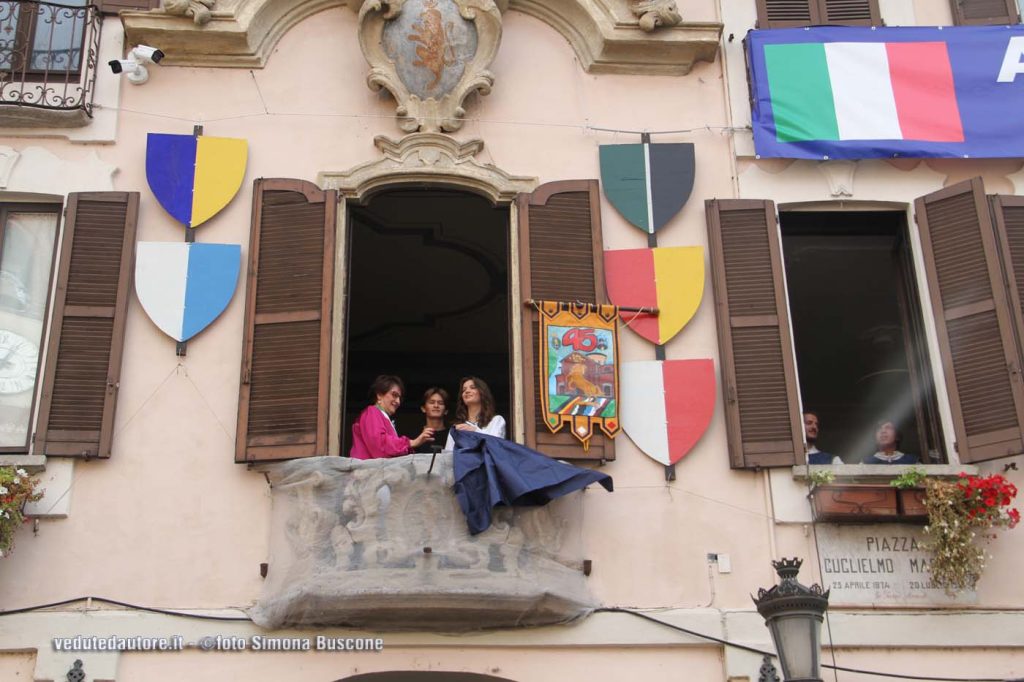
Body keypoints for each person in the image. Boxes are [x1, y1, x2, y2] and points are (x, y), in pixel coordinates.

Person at [350, 375, 434, 459]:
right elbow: (380, 445)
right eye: (394, 395)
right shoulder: (372, 412)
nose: (398, 401)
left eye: (399, 398)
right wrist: (410, 443)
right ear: (379, 395)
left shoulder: (381, 416)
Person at [445, 376, 506, 451]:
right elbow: (448, 456)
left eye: (472, 387)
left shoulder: (496, 420)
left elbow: (497, 447)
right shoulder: (457, 428)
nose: (467, 391)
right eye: (464, 390)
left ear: (482, 392)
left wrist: (474, 431)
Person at [415, 387, 451, 454]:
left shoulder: (452, 435)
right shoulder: (415, 435)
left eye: (440, 403)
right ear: (423, 408)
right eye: (432, 402)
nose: (436, 405)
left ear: (446, 411)